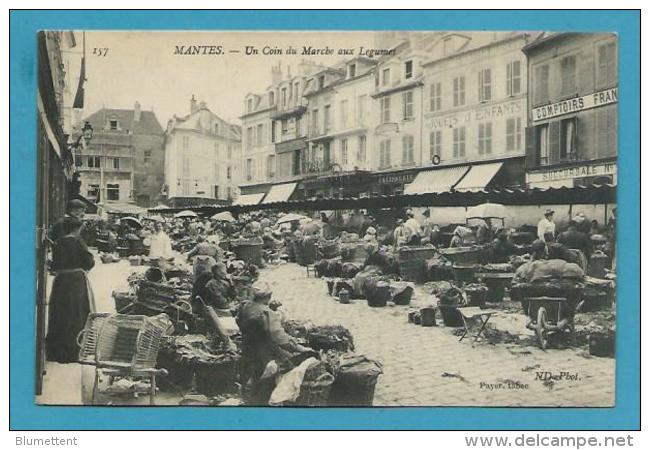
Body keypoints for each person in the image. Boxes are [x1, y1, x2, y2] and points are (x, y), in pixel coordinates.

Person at [236, 282, 312, 405]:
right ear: (268, 297)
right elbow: (280, 338)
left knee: (253, 376)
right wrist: (299, 348)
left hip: (248, 349)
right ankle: (268, 400)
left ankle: (250, 398)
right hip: (264, 354)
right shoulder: (267, 313)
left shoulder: (245, 307)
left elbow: (239, 322)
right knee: (282, 369)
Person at [46, 217, 96, 363]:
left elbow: (54, 266)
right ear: (76, 228)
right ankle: (74, 351)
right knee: (77, 313)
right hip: (76, 281)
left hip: (61, 282)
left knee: (60, 313)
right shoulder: (78, 241)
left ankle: (56, 352)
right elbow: (89, 261)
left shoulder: (58, 243)